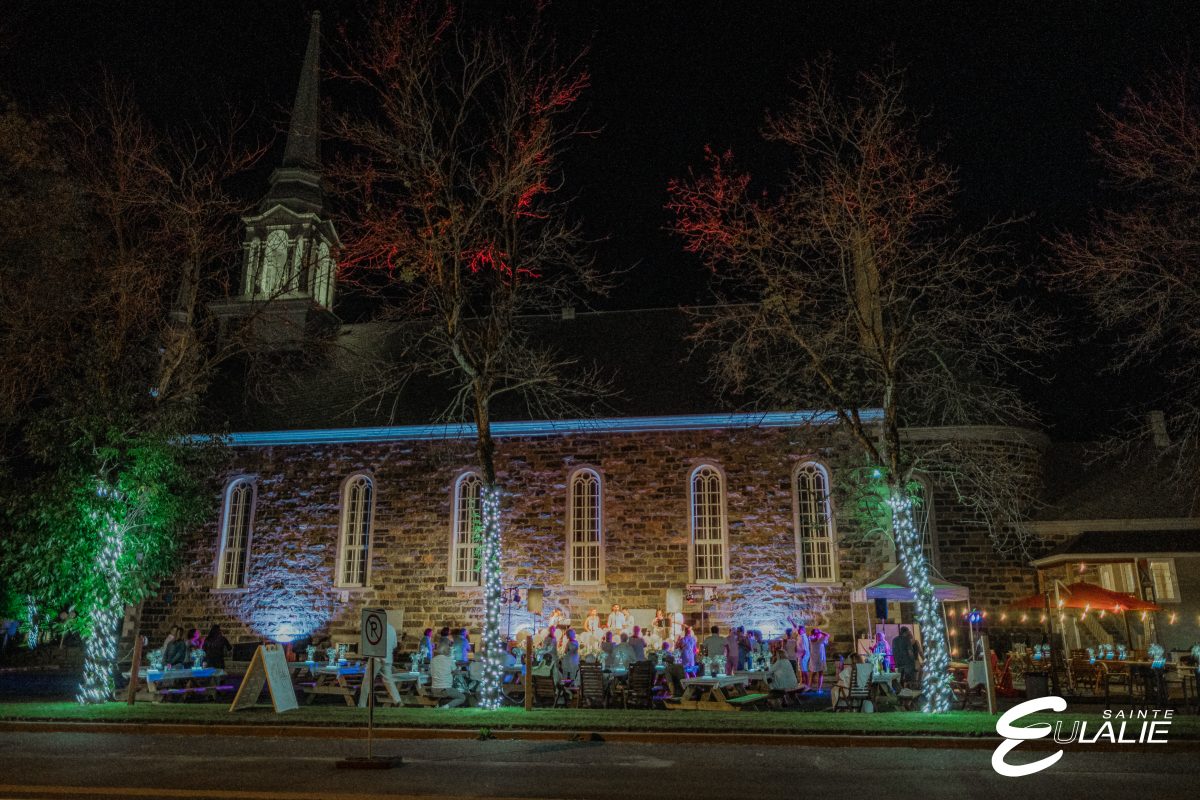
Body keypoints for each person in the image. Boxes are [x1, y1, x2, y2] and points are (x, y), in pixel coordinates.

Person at [429, 643, 465, 708]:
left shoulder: (433, 660)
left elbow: (431, 672)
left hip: (434, 688)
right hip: (445, 689)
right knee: (462, 697)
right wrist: (459, 670)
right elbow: (456, 672)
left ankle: (439, 705)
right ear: (447, 651)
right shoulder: (449, 660)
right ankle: (446, 707)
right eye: (449, 649)